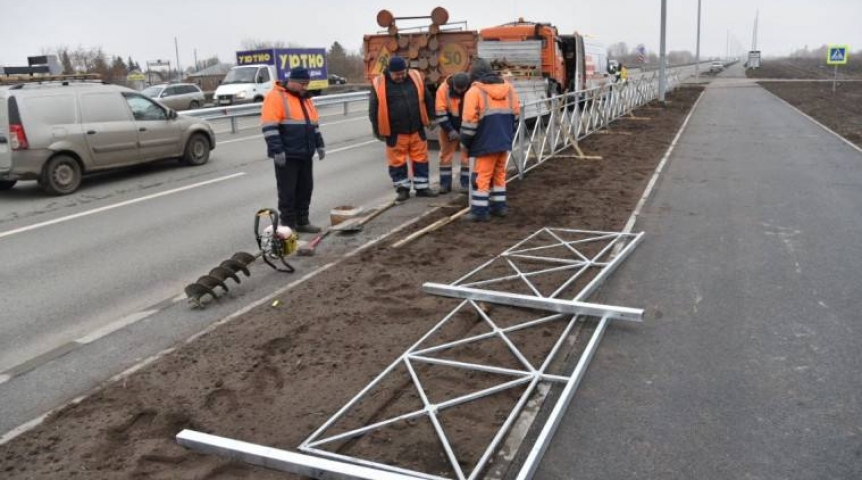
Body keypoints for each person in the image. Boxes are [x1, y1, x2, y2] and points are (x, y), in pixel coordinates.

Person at [260, 67, 325, 232]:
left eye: (307, 84)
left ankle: (302, 221)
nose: (305, 87)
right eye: (303, 84)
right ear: (292, 81)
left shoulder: (306, 99)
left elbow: (313, 125)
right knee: (287, 193)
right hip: (287, 155)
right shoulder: (275, 97)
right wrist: (277, 150)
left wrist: (319, 144)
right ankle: (288, 225)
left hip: (305, 153)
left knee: (305, 189)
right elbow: (269, 127)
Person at [460, 58, 521, 222]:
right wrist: (509, 135)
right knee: (499, 174)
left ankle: (480, 212)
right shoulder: (509, 89)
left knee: (482, 176)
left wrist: (464, 144)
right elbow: (516, 115)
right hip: (504, 140)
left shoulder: (474, 92)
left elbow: (469, 124)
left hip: (484, 142)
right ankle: (499, 207)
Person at [369, 56, 438, 202]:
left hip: (416, 128)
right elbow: (373, 109)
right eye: (397, 75)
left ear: (406, 70)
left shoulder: (416, 77)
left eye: (402, 73)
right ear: (389, 72)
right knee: (397, 161)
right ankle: (402, 189)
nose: (400, 77)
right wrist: (377, 130)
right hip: (395, 131)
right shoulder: (379, 83)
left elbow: (427, 98)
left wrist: (432, 117)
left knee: (421, 158)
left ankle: (422, 187)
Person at [435, 72, 471, 194]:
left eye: (463, 89)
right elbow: (441, 113)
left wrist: (468, 129)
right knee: (445, 157)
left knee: (466, 157)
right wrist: (450, 130)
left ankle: (466, 184)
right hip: (448, 127)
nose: (460, 92)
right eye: (457, 89)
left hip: (466, 127)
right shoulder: (443, 90)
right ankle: (445, 185)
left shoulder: (472, 89)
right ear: (453, 85)